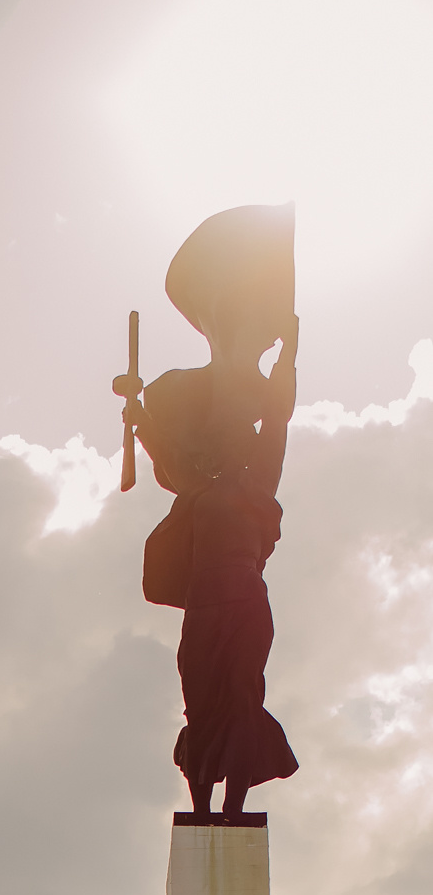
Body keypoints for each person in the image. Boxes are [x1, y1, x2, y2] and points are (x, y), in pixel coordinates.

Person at [120, 203, 299, 821]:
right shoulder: (198, 490)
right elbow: (173, 461)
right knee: (200, 704)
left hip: (245, 605)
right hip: (203, 605)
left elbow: (276, 419)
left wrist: (289, 355)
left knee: (242, 702)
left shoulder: (255, 489)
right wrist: (140, 423)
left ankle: (234, 809)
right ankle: (200, 810)